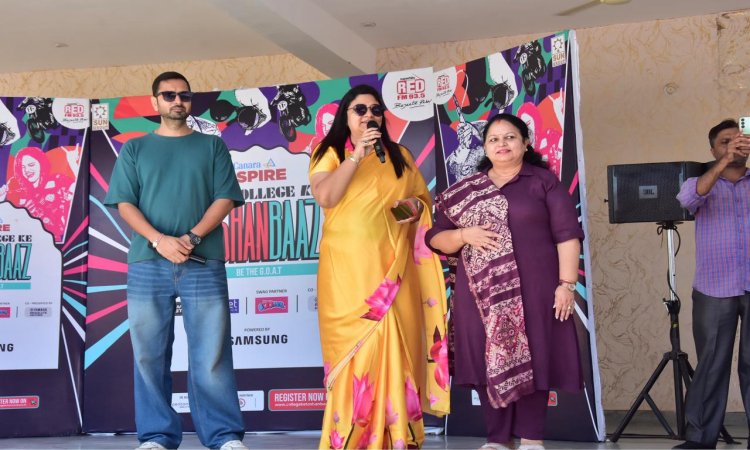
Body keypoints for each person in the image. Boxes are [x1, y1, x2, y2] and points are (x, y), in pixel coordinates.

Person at [104, 72, 248, 450]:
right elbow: (124, 203)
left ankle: (223, 437)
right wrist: (159, 240)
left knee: (212, 353)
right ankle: (156, 437)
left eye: (184, 95)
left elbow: (224, 198)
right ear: (155, 102)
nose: (177, 101)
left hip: (203, 260)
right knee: (148, 356)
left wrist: (191, 238)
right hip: (147, 263)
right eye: (168, 95)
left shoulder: (212, 146)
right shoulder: (135, 149)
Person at [425, 113, 583, 450]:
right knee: (488, 358)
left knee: (535, 358)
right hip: (479, 296)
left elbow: (568, 236)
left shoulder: (543, 183)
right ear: (484, 147)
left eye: (510, 137)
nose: (502, 144)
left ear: (525, 143)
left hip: (535, 292)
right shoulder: (466, 191)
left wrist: (566, 284)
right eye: (494, 139)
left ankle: (531, 439)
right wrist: (464, 235)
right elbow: (435, 238)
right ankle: (497, 439)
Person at [308, 84, 450, 449]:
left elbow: (421, 203)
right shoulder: (330, 151)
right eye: (360, 110)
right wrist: (357, 156)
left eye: (375, 110)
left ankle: (396, 435)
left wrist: (400, 213)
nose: (369, 115)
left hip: (394, 269)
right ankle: (350, 437)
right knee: (359, 350)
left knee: (397, 347)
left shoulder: (399, 155)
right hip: (347, 272)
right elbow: (326, 196)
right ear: (346, 115)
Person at [674, 119, 750, 449]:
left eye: (739, 140)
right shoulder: (700, 182)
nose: (734, 146)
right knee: (712, 364)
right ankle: (700, 439)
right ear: (713, 150)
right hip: (714, 287)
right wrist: (723, 163)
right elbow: (688, 200)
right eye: (725, 142)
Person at [0, 146, 75, 241]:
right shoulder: (20, 194)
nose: (26, 170)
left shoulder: (57, 181)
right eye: (23, 167)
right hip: (28, 241)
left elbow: (77, 189)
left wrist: (73, 164)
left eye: (31, 165)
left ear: (41, 163)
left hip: (54, 242)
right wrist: (1, 200)